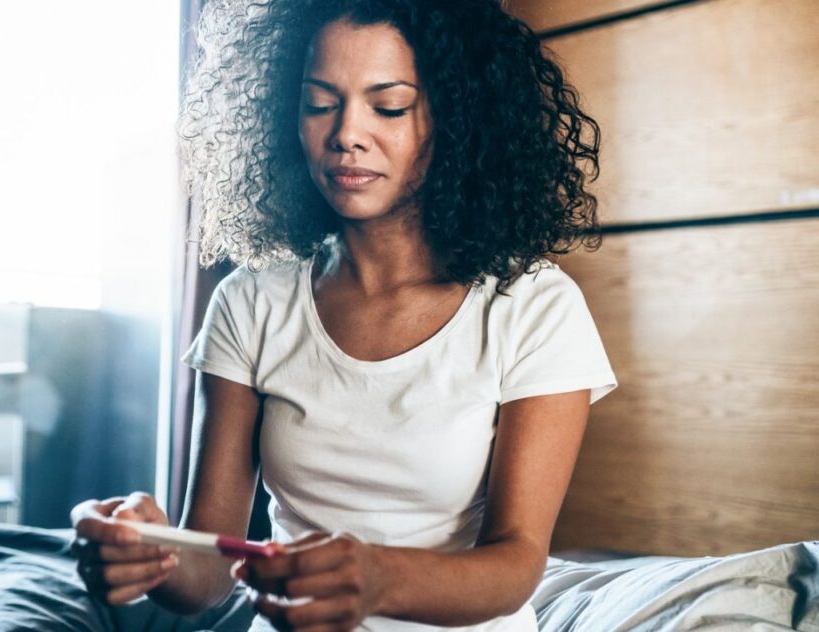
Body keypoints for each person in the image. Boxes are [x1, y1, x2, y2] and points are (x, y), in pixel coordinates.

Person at [72, 0, 617, 630]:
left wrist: (377, 577)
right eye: (320, 104)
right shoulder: (251, 302)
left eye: (389, 106)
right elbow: (208, 576)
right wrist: (150, 555)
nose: (346, 134)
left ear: (456, 117)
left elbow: (516, 564)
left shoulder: (532, 306)